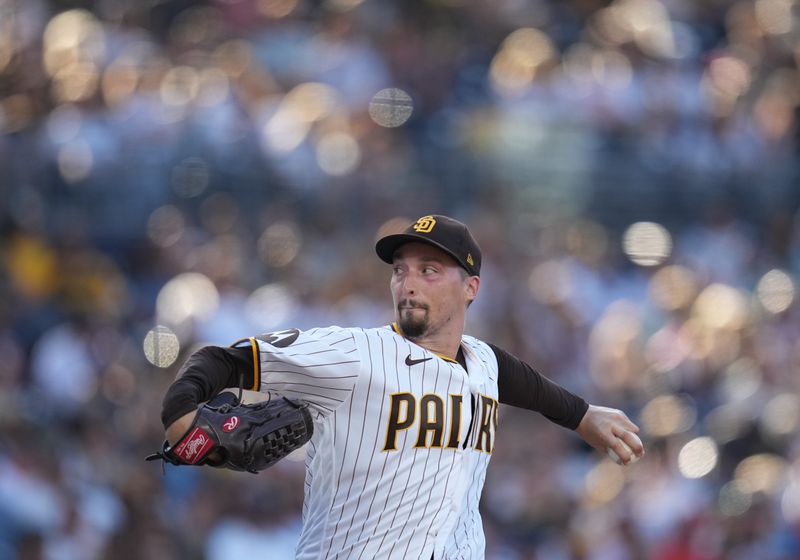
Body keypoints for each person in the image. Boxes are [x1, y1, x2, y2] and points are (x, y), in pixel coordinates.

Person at [159, 214, 644, 559]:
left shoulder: (485, 363)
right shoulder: (352, 353)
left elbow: (523, 382)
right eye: (400, 270)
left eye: (428, 271)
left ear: (470, 288)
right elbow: (221, 359)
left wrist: (582, 415)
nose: (407, 283)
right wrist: (183, 417)